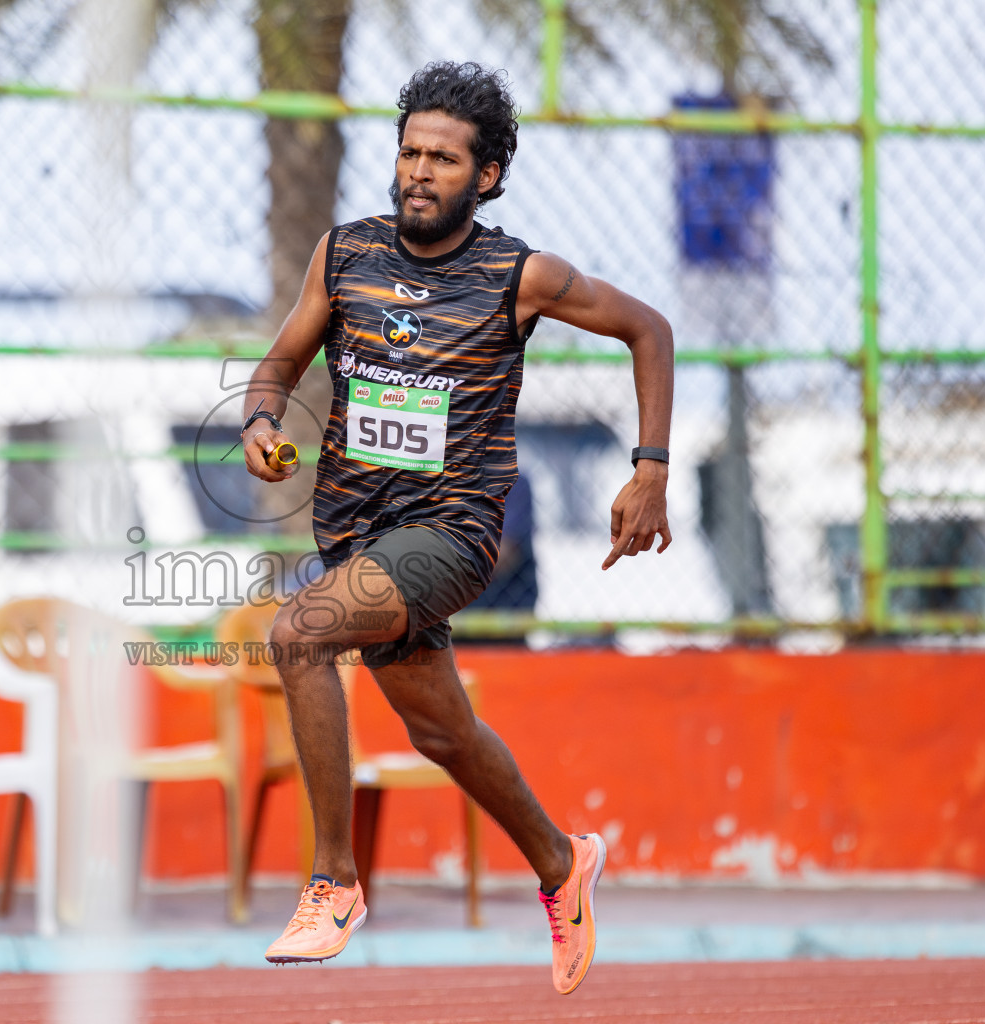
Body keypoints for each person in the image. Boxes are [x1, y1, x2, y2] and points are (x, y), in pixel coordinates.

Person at [239, 61, 673, 994]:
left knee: (300, 633)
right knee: (446, 736)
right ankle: (563, 864)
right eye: (408, 152)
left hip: (453, 531)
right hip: (356, 533)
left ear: (486, 177)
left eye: (442, 158)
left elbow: (650, 329)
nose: (418, 172)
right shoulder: (344, 255)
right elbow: (277, 364)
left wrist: (652, 470)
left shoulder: (522, 275)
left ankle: (333, 882)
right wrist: (262, 424)